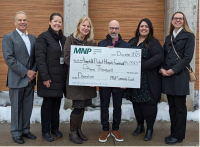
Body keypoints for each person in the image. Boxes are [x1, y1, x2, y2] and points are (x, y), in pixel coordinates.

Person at [124, 18, 164, 141]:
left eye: (146, 26)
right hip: (134, 81)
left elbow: (159, 57)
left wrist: (140, 66)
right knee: (136, 104)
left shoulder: (153, 42)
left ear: (150, 29)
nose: (144, 28)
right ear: (138, 28)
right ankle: (140, 125)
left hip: (148, 81)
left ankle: (150, 129)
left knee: (149, 106)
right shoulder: (132, 41)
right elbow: (122, 54)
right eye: (142, 26)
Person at [160, 11, 195, 145]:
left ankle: (178, 136)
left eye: (180, 18)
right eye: (175, 18)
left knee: (180, 108)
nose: (178, 20)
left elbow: (187, 57)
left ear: (184, 20)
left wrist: (173, 70)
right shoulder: (169, 37)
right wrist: (162, 68)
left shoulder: (189, 36)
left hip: (179, 76)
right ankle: (173, 133)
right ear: (172, 21)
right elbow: (164, 56)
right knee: (172, 107)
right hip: (168, 76)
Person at [2, 11, 37, 144]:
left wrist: (32, 72)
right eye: (20, 20)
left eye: (24, 20)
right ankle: (16, 132)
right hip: (16, 79)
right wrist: (26, 72)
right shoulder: (8, 37)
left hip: (30, 79)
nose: (22, 22)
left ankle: (25, 130)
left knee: (27, 106)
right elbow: (9, 59)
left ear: (27, 22)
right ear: (15, 22)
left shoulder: (33, 38)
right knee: (16, 107)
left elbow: (36, 58)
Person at [63, 16, 97, 144]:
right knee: (77, 107)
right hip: (76, 81)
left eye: (88, 26)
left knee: (83, 107)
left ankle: (78, 130)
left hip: (88, 82)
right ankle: (72, 133)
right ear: (78, 26)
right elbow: (67, 59)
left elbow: (97, 61)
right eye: (84, 25)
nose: (86, 28)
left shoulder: (92, 42)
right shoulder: (70, 40)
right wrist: (83, 64)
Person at [35, 13, 67, 142]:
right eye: (55, 21)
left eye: (59, 22)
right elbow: (40, 59)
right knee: (48, 104)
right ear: (50, 22)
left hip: (60, 78)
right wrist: (45, 77)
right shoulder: (43, 37)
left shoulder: (63, 39)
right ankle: (45, 131)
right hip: (48, 78)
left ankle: (55, 128)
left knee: (57, 104)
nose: (57, 24)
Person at [98, 20, 131, 143]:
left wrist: (126, 81)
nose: (114, 30)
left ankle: (116, 129)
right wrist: (104, 53)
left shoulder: (126, 46)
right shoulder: (101, 44)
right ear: (108, 29)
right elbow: (97, 63)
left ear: (119, 29)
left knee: (117, 106)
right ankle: (105, 129)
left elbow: (129, 66)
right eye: (111, 28)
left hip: (119, 82)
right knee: (104, 106)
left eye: (116, 28)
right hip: (105, 82)